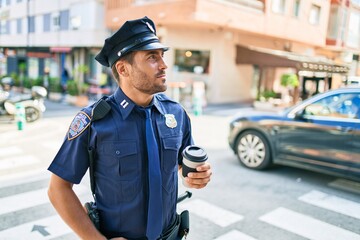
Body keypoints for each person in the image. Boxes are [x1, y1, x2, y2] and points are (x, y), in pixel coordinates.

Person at [47, 16, 212, 240]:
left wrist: (195, 176)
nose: (164, 65)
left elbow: (182, 165)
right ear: (123, 69)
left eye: (162, 56)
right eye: (152, 57)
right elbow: (58, 189)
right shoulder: (93, 121)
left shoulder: (176, 113)